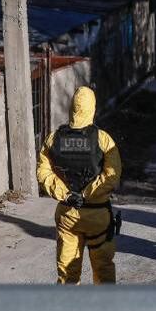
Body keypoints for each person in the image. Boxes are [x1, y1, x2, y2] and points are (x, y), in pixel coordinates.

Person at [37, 86, 122, 284]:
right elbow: (112, 175)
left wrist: (67, 194)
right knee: (103, 268)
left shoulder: (53, 138)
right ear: (92, 108)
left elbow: (43, 173)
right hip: (98, 216)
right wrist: (87, 194)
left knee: (67, 270)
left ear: (72, 108)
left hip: (67, 213)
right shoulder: (103, 139)